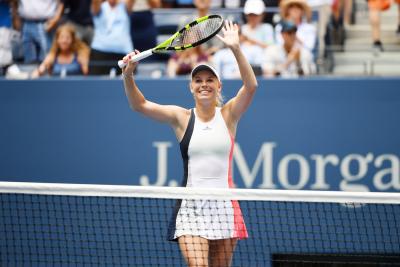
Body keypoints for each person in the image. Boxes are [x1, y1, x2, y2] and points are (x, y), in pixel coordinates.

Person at [121, 21, 257, 267]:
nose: (204, 84)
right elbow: (139, 105)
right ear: (191, 87)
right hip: (191, 209)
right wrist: (128, 74)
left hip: (225, 207)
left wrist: (236, 49)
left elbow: (251, 86)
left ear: (218, 86)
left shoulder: (229, 115)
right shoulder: (182, 117)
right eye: (198, 80)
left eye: (209, 80)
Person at [90, 0, 134, 75]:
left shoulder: (125, 6)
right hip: (100, 51)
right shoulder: (99, 6)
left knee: (127, 82)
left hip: (123, 52)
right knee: (97, 84)